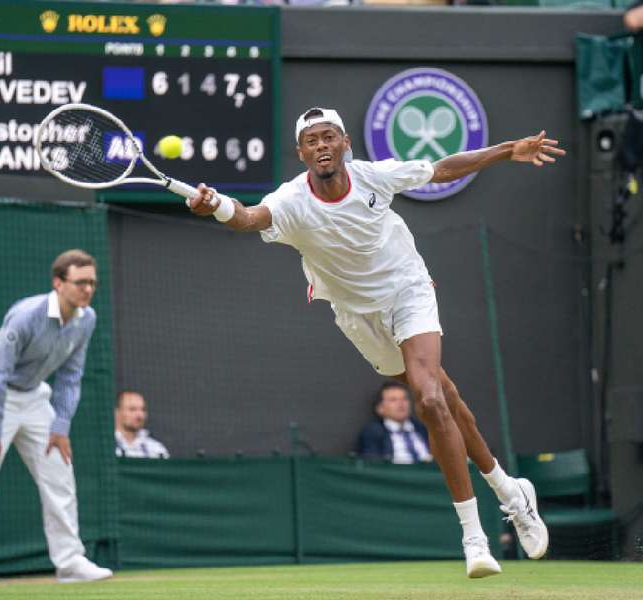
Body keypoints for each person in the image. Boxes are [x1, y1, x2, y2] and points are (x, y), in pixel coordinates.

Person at [187, 107, 565, 578]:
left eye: (329, 137)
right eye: (311, 140)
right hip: (355, 315)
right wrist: (218, 206)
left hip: (407, 291)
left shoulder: (375, 177)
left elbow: (443, 167)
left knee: (428, 399)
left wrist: (509, 150)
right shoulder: (290, 201)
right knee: (444, 397)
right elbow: (247, 218)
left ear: (345, 143)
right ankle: (510, 491)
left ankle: (474, 537)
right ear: (302, 152)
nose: (321, 145)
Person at [0, 250, 112, 585]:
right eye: (80, 282)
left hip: (33, 397)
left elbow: (71, 377)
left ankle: (70, 560)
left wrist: (60, 428)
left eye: (92, 283)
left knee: (59, 472)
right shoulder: (26, 315)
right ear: (58, 283)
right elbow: (0, 372)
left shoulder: (87, 318)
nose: (88, 289)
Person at [358, 381, 431, 464]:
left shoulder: (423, 429)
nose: (401, 404)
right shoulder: (373, 433)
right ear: (380, 408)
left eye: (404, 399)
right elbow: (373, 466)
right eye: (393, 400)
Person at [115, 390, 170, 458]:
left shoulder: (156, 449)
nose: (140, 415)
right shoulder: (103, 446)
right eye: (132, 409)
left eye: (143, 410)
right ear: (116, 412)